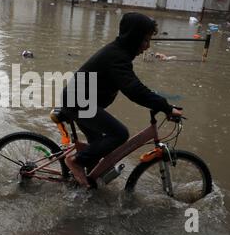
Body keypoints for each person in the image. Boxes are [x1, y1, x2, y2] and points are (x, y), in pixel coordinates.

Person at [61, 12, 183, 188]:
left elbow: (135, 86)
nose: (147, 47)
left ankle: (86, 184)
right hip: (78, 103)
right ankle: (76, 162)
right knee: (119, 134)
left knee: (98, 146)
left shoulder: (119, 53)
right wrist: (165, 106)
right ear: (133, 38)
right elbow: (134, 90)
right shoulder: (116, 57)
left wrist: (160, 103)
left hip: (82, 102)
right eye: (145, 40)